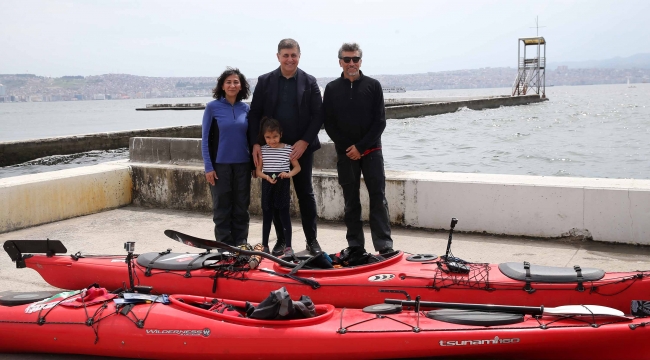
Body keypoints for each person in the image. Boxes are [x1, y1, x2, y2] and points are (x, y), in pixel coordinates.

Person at [248, 38, 324, 256]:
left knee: (305, 194)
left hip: (299, 149)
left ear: (299, 56)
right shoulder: (265, 81)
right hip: (271, 148)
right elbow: (254, 113)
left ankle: (312, 240)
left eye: (293, 55)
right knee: (275, 199)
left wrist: (304, 141)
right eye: (285, 55)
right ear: (278, 56)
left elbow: (318, 115)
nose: (290, 59)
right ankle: (281, 240)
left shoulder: (309, 81)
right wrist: (255, 143)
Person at [322, 43, 394, 255]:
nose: (351, 63)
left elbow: (380, 122)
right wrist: (348, 148)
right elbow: (329, 123)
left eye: (355, 59)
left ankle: (384, 245)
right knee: (350, 201)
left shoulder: (373, 85)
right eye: (347, 59)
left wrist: (361, 147)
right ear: (340, 62)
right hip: (346, 155)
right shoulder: (332, 89)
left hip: (372, 153)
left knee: (378, 199)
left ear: (361, 61)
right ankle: (355, 245)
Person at [201, 67, 252, 246]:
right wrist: (208, 167)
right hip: (220, 166)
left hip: (243, 166)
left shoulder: (245, 108)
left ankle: (241, 244)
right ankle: (224, 246)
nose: (232, 85)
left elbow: (250, 138)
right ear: (222, 86)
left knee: (241, 208)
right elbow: (205, 140)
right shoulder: (212, 108)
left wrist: (254, 166)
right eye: (228, 82)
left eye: (236, 82)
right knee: (222, 208)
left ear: (241, 86)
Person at [256, 117, 301, 257]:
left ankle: (288, 246)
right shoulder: (262, 150)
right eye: (268, 137)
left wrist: (288, 174)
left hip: (282, 183)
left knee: (284, 216)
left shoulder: (288, 149)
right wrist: (266, 177)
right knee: (267, 216)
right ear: (264, 137)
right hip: (268, 184)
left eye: (275, 136)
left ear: (280, 134)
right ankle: (265, 245)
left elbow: (297, 168)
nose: (272, 140)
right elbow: (258, 171)